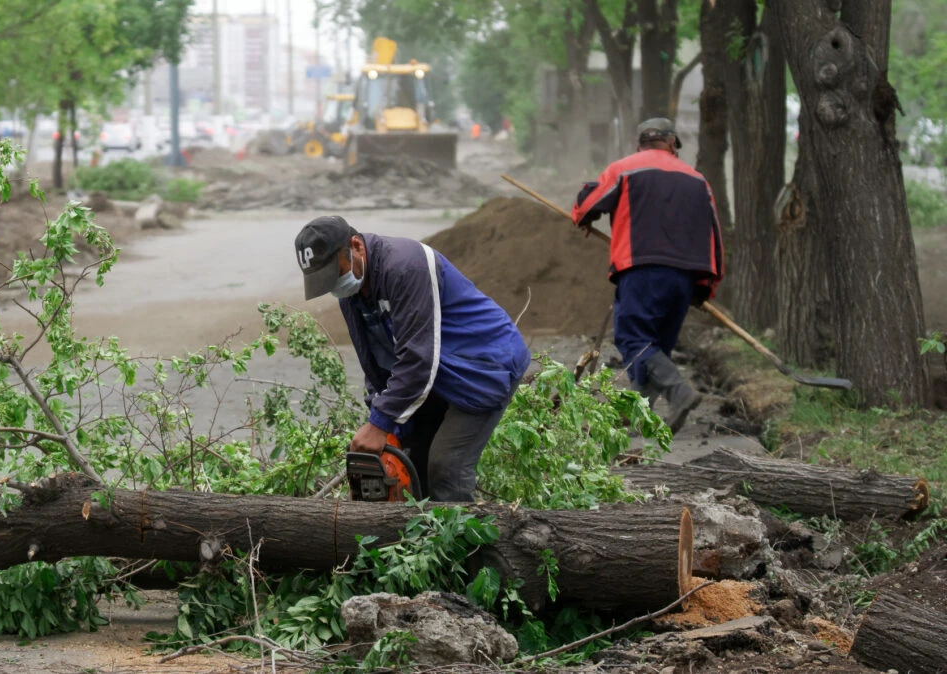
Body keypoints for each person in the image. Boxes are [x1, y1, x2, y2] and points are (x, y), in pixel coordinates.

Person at [294, 216, 530, 502]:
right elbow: (375, 360)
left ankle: (463, 544)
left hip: (484, 364)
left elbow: (418, 359)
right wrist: (383, 420)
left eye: (335, 273)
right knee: (413, 462)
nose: (334, 285)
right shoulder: (352, 293)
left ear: (356, 246)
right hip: (439, 371)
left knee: (446, 467)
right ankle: (421, 542)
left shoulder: (405, 266)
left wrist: (380, 424)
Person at [570, 118, 724, 433]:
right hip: (684, 278)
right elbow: (715, 236)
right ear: (671, 144)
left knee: (634, 340)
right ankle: (641, 418)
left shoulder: (625, 168)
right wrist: (706, 285)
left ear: (641, 143)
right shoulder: (698, 181)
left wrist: (585, 217)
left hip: (642, 270)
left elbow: (586, 205)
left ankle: (679, 392)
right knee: (655, 349)